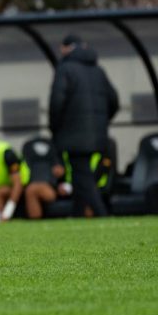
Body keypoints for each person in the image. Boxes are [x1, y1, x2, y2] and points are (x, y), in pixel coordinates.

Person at [48, 34, 119, 218]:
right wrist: (100, 121)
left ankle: (102, 214)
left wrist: (55, 127)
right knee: (81, 174)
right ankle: (77, 215)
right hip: (96, 133)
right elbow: (114, 101)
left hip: (73, 133)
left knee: (82, 175)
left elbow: (57, 103)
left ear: (67, 48)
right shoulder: (98, 71)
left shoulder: (65, 69)